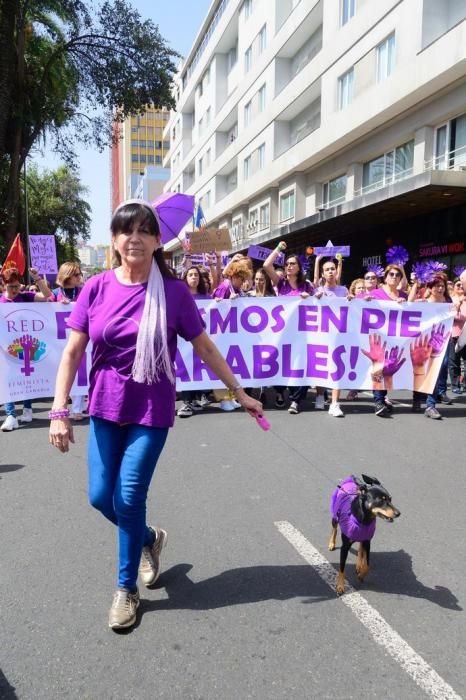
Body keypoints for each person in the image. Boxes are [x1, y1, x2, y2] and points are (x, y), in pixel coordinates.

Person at [49, 200, 263, 631]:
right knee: (99, 497)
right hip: (106, 406)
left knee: (128, 498)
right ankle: (149, 538)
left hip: (151, 408)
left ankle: (125, 590)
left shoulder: (175, 293)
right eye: (127, 231)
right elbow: (73, 351)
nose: (136, 238)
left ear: (157, 241)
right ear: (113, 240)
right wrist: (59, 410)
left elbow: (203, 347)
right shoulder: (95, 288)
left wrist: (240, 391)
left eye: (145, 231)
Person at [263, 242, 314, 414]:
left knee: (300, 365)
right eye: (287, 264)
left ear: (299, 267)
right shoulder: (281, 283)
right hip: (283, 333)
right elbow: (266, 265)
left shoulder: (307, 285)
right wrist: (278, 250)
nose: (289, 266)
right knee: (282, 364)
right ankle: (280, 392)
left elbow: (318, 305)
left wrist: (311, 297)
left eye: (293, 264)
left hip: (302, 333)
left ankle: (296, 400)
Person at [1, 266, 53, 431]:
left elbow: (47, 295)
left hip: (25, 346)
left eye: (17, 286)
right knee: (7, 380)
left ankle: (27, 409)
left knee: (26, 376)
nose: (15, 290)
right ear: (3, 284)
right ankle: (11, 415)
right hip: (5, 348)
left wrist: (37, 278)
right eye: (11, 287)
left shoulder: (26, 297)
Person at [362, 264, 407, 417]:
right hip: (377, 338)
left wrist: (404, 304)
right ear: (386, 277)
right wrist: (365, 300)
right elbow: (355, 304)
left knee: (389, 369)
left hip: (395, 339)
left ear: (401, 278)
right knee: (379, 367)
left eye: (397, 275)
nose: (394, 277)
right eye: (391, 274)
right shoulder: (376, 293)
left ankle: (382, 397)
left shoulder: (403, 296)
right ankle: (378, 401)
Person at [314, 259, 349, 417]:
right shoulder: (318, 290)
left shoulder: (343, 290)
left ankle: (335, 403)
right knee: (321, 368)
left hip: (339, 336)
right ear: (322, 273)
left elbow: (352, 308)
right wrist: (315, 298)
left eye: (332, 269)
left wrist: (352, 300)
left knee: (337, 367)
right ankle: (320, 395)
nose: (330, 271)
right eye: (327, 269)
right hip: (321, 335)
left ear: (336, 271)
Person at [53, 262, 86, 420]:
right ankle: (65, 402)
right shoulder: (55, 293)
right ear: (67, 276)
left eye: (80, 274)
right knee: (66, 371)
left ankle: (78, 408)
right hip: (59, 341)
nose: (80, 277)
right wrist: (56, 304)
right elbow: (44, 302)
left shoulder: (83, 291)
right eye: (76, 274)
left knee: (81, 372)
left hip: (80, 339)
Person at [177, 266, 211, 417]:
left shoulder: (207, 298)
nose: (194, 277)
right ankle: (186, 402)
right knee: (187, 368)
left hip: (201, 341)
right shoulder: (181, 298)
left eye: (196, 275)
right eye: (190, 275)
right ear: (185, 278)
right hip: (185, 341)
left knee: (198, 368)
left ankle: (194, 400)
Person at [448, 279, 466, 393]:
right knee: (454, 361)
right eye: (457, 285)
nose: (460, 286)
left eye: (462, 285)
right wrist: (459, 303)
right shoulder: (451, 300)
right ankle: (455, 385)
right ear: (454, 287)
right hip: (454, 335)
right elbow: (452, 316)